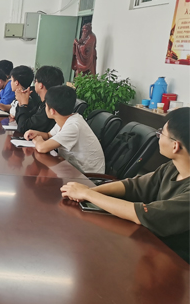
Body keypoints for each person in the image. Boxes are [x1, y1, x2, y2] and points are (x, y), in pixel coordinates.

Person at [61, 107, 190, 262]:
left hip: (175, 261)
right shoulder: (172, 167)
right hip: (151, 245)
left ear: (175, 146)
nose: (159, 136)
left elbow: (144, 214)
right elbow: (133, 185)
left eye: (161, 133)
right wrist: (90, 191)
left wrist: (88, 194)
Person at [24, 85, 104, 173]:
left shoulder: (73, 126)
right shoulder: (66, 119)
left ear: (52, 111)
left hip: (87, 176)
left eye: (46, 105)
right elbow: (49, 135)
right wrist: (36, 133)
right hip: (71, 169)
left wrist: (38, 140)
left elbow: (42, 148)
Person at [14, 66, 63, 133]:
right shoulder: (42, 103)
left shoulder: (49, 107)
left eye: (35, 81)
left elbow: (22, 128)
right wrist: (21, 102)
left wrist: (23, 105)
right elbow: (21, 121)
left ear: (41, 85)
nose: (34, 84)